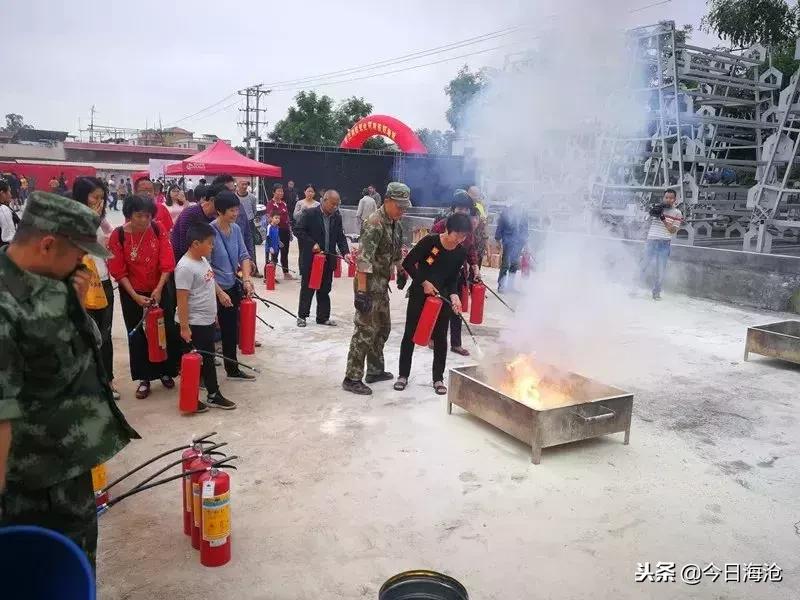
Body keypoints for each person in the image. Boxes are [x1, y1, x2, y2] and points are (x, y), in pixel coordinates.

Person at [0, 191, 138, 569]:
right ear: (47, 244)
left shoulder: (53, 281)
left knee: (78, 566)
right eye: (78, 253)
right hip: (29, 486)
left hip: (69, 467)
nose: (83, 263)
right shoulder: (5, 305)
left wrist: (76, 305)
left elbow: (84, 347)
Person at [108, 195, 180, 399]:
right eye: (139, 216)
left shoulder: (157, 230)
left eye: (147, 216)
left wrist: (158, 289)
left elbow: (167, 262)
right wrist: (135, 296)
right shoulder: (119, 235)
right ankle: (144, 378)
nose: (144, 220)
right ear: (129, 215)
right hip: (132, 291)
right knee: (138, 334)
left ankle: (166, 371)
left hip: (160, 288)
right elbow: (118, 271)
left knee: (163, 330)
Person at [343, 182, 410, 395]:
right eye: (399, 206)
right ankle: (352, 377)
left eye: (405, 207)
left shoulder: (395, 223)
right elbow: (363, 261)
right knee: (364, 331)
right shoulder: (374, 223)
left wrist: (401, 270)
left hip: (381, 285)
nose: (402, 211)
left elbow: (397, 252)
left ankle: (374, 370)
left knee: (383, 328)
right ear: (388, 201)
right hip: (368, 285)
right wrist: (361, 293)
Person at [395, 213, 471, 395]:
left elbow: (453, 278)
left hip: (441, 298)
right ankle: (403, 375)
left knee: (440, 337)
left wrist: (454, 295)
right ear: (447, 229)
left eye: (464, 236)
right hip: (420, 295)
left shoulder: (460, 252)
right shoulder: (431, 243)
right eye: (457, 235)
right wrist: (423, 282)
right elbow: (409, 263)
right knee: (410, 334)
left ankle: (438, 378)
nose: (460, 240)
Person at [175, 222, 237, 411]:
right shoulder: (185, 267)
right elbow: (182, 300)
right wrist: (185, 327)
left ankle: (212, 394)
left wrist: (220, 294)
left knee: (207, 360)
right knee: (196, 362)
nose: (212, 246)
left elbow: (210, 281)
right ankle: (195, 398)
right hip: (194, 323)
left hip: (206, 319)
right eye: (209, 243)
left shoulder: (202, 260)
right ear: (195, 244)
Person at [72, 177, 120, 401]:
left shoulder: (100, 219)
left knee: (105, 335)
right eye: (95, 197)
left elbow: (111, 236)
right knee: (85, 334)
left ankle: (107, 381)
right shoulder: (72, 218)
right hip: (81, 282)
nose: (99, 202)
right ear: (82, 196)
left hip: (103, 280)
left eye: (102, 197)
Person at [209, 191, 256, 381]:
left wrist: (246, 279)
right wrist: (218, 292)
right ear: (219, 211)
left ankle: (232, 369)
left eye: (237, 209)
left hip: (231, 286)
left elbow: (244, 256)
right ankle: (205, 374)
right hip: (212, 289)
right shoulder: (210, 232)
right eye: (231, 210)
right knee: (207, 331)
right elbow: (205, 267)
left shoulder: (235, 229)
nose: (235, 213)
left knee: (230, 330)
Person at [430, 190, 481, 356]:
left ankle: (456, 343)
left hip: (458, 275)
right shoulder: (441, 226)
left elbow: (471, 250)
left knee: (456, 309)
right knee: (438, 306)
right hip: (440, 274)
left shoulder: (468, 230)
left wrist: (475, 268)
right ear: (453, 209)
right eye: (460, 209)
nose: (464, 212)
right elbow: (430, 250)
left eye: (466, 209)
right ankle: (434, 337)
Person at [294, 189, 349, 327]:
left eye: (337, 204)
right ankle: (302, 316)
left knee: (325, 289)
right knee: (307, 288)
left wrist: (345, 253)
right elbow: (298, 230)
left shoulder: (337, 217)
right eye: (332, 204)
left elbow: (340, 237)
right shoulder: (310, 213)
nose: (335, 207)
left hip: (328, 259)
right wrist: (312, 244)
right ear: (324, 200)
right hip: (312, 258)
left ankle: (323, 317)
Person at [636, 189, 682, 300]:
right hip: (651, 241)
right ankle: (634, 288)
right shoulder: (657, 208)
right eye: (666, 197)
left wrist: (663, 219)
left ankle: (656, 293)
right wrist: (651, 212)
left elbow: (672, 231)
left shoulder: (677, 213)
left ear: (675, 200)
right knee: (643, 266)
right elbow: (644, 222)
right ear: (663, 198)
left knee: (660, 270)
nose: (668, 200)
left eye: (671, 198)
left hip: (664, 244)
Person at [213, 175, 254, 276]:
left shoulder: (236, 224)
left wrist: (249, 261)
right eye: (228, 191)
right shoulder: (209, 226)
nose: (235, 213)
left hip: (236, 273)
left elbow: (247, 235)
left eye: (233, 190)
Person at [171, 184, 218, 261]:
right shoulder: (190, 214)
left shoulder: (215, 218)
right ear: (212, 200)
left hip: (203, 262)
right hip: (185, 262)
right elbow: (184, 246)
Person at [495, 201, 529, 292]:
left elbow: (525, 229)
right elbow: (500, 227)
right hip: (508, 242)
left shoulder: (523, 213)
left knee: (514, 264)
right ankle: (501, 285)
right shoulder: (506, 212)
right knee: (505, 264)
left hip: (519, 243)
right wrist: (498, 239)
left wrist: (526, 243)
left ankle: (510, 286)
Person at [265, 183, 293, 280]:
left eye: (282, 191)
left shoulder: (284, 203)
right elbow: (269, 218)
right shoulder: (270, 204)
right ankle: (270, 275)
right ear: (273, 192)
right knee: (274, 253)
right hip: (276, 231)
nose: (281, 193)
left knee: (285, 252)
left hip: (285, 230)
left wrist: (290, 230)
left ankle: (286, 273)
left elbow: (287, 217)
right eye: (279, 191)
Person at [235, 178, 260, 277]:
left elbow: (254, 211)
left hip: (249, 223)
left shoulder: (252, 197)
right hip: (236, 223)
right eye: (242, 184)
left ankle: (254, 269)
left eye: (246, 184)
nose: (244, 186)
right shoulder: (234, 197)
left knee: (251, 245)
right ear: (237, 185)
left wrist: (248, 218)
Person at [467, 185, 489, 268]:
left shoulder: (480, 207)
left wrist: (487, 248)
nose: (476, 199)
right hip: (465, 243)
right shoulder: (463, 206)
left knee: (476, 270)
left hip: (478, 245)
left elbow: (484, 225)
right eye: (474, 197)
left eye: (477, 197)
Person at [0, 180, 16, 246]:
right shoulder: (3, 209)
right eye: (9, 191)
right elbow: (10, 237)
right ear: (2, 193)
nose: (11, 195)